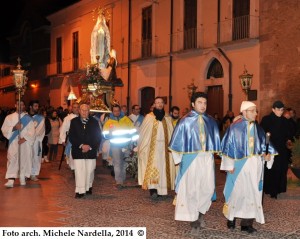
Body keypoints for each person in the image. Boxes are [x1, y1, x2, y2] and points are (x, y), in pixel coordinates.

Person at [168, 92, 221, 235]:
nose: (203, 105)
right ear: (193, 104)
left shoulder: (211, 121)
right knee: (192, 190)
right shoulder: (185, 121)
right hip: (191, 160)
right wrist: (180, 160)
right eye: (199, 102)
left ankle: (201, 213)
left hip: (207, 159)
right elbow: (175, 144)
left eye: (204, 103)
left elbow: (216, 142)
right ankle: (194, 221)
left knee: (207, 188)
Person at [221, 101, 277, 233]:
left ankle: (247, 223)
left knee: (252, 194)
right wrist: (229, 166)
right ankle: (231, 218)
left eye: (256, 111)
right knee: (237, 193)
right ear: (244, 112)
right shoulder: (234, 128)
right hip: (239, 167)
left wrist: (267, 156)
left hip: (255, 167)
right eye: (252, 111)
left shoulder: (258, 128)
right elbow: (227, 148)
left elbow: (264, 148)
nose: (256, 113)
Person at [138, 96, 175, 199]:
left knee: (163, 167)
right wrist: (141, 147)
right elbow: (143, 133)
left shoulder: (167, 118)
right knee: (153, 167)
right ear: (154, 104)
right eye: (157, 102)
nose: (159, 104)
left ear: (163, 104)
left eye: (161, 102)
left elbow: (172, 133)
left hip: (164, 149)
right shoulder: (149, 117)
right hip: (152, 148)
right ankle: (153, 189)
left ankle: (162, 190)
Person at [260, 100, 293, 199]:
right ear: (273, 109)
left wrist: (288, 140)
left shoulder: (284, 120)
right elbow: (262, 134)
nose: (280, 112)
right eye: (278, 109)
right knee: (271, 169)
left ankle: (279, 188)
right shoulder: (266, 119)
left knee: (281, 169)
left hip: (282, 149)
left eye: (282, 110)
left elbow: (289, 134)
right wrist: (265, 147)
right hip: (270, 148)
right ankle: (271, 190)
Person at [68, 104, 101, 198]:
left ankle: (89, 186)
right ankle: (79, 190)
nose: (84, 112)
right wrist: (82, 145)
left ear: (89, 111)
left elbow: (97, 136)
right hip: (78, 150)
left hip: (91, 150)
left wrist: (89, 146)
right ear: (79, 110)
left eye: (86, 110)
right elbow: (71, 136)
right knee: (79, 171)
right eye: (82, 110)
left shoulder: (94, 122)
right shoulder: (74, 122)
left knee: (90, 170)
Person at [1, 100, 35, 187]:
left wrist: (24, 138)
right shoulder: (9, 117)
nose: (20, 106)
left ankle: (22, 177)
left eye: (22, 104)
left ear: (24, 106)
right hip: (13, 142)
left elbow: (32, 131)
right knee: (12, 159)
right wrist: (14, 128)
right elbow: (4, 129)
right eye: (18, 104)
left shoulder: (28, 118)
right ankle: (11, 179)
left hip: (24, 142)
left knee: (24, 159)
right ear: (15, 105)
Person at [103, 104, 137, 189]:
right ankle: (119, 181)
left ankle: (123, 179)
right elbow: (104, 135)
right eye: (115, 111)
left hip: (126, 145)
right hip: (115, 145)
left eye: (118, 111)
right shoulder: (109, 122)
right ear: (112, 111)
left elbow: (133, 131)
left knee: (124, 163)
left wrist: (133, 143)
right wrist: (109, 134)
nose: (116, 112)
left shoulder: (126, 120)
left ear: (120, 110)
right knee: (117, 163)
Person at [59, 102, 79, 171]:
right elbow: (63, 129)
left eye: (77, 107)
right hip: (72, 139)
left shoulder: (82, 117)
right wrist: (63, 140)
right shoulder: (68, 118)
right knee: (72, 155)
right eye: (74, 107)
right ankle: (73, 169)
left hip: (80, 140)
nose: (76, 109)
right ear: (72, 109)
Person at [28, 100, 45, 181]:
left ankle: (34, 174)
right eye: (35, 106)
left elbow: (40, 130)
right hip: (26, 141)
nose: (37, 108)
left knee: (36, 157)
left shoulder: (41, 118)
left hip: (36, 141)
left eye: (37, 106)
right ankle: (27, 173)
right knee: (27, 156)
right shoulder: (25, 117)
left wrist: (29, 136)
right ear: (30, 107)